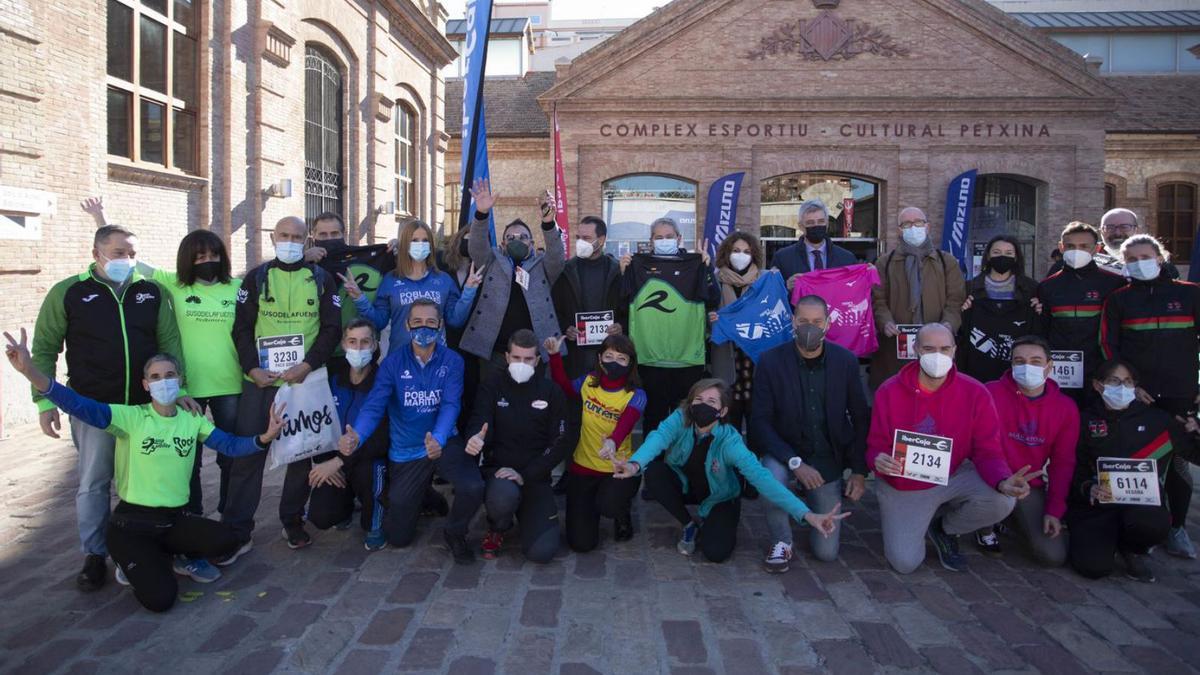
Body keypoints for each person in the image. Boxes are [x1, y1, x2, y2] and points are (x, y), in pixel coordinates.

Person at [5, 333, 284, 612]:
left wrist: (265, 437)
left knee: (230, 540)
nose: (163, 381)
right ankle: (134, 561)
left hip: (173, 521)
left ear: (180, 380)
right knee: (161, 599)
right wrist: (30, 371)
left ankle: (164, 554)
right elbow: (78, 404)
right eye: (155, 376)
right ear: (145, 384)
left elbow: (229, 445)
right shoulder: (130, 418)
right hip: (133, 525)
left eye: (170, 375)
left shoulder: (191, 420)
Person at [32, 222, 187, 591]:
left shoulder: (150, 292)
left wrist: (178, 389)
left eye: (132, 253)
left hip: (143, 408)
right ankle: (95, 554)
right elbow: (44, 348)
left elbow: (169, 343)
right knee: (94, 482)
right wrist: (44, 400)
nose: (127, 260)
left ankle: (151, 542)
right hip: (94, 407)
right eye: (119, 253)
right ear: (96, 254)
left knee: (149, 477)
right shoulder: (68, 293)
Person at [613, 379, 850, 563]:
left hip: (720, 496)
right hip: (686, 485)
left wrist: (806, 514)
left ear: (723, 411)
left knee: (716, 553)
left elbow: (763, 479)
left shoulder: (731, 441)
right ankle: (689, 524)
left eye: (712, 401)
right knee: (654, 471)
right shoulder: (680, 418)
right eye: (698, 399)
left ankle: (717, 520)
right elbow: (658, 438)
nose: (703, 405)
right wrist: (634, 464)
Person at [867, 323, 1031, 574]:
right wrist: (878, 459)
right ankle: (920, 517)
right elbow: (875, 445)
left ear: (954, 350)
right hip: (903, 483)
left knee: (1002, 501)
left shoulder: (976, 393)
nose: (937, 355)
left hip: (953, 474)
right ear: (915, 349)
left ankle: (944, 527)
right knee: (904, 563)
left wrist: (1002, 480)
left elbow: (988, 451)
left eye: (944, 349)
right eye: (929, 348)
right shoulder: (889, 391)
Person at [223, 216, 341, 563]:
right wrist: (252, 368)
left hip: (304, 381)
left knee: (302, 454)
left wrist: (308, 364)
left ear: (305, 241)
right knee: (248, 455)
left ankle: (292, 519)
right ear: (273, 238)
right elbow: (241, 329)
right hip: (260, 383)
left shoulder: (321, 279)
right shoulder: (256, 278)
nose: (290, 241)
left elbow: (332, 329)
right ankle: (237, 529)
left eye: (297, 236)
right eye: (284, 235)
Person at [337, 299, 484, 563]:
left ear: (440, 326)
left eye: (430, 322)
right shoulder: (393, 364)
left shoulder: (452, 361)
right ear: (406, 324)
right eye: (417, 322)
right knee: (397, 536)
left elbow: (451, 404)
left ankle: (455, 532)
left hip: (443, 442)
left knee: (473, 486)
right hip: (406, 450)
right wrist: (356, 435)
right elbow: (374, 406)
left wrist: (438, 438)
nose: (423, 327)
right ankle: (427, 496)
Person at [1099, 234, 1200, 559]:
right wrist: (1127, 384)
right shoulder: (1120, 299)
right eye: (1131, 259)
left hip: (1181, 393)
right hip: (1138, 394)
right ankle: (1143, 524)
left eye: (1144, 255)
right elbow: (1108, 345)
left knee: (1179, 461)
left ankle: (1177, 527)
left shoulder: (1190, 294)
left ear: (1160, 257)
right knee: (1140, 457)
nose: (1139, 262)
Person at [751, 295, 870, 572]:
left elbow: (861, 417)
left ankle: (806, 510)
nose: (810, 327)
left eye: (817, 322)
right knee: (769, 476)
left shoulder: (846, 361)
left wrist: (858, 470)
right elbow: (759, 421)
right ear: (793, 322)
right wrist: (794, 461)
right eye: (803, 321)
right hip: (784, 452)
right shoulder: (771, 361)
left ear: (828, 324)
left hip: (827, 456)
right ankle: (782, 540)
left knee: (826, 553)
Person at [1067, 359, 1196, 581]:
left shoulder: (1158, 421)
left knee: (1155, 524)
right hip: (1096, 507)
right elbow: (1071, 468)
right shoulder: (1082, 420)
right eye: (1114, 381)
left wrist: (1196, 431)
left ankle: (1132, 549)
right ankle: (1105, 543)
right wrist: (1088, 487)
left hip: (1140, 507)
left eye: (1127, 382)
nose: (1122, 387)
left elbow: (1194, 453)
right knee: (1093, 569)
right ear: (1098, 386)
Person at [277, 319, 392, 551]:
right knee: (322, 517)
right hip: (335, 456)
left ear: (374, 345)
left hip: (368, 458)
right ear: (343, 343)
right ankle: (345, 507)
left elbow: (382, 439)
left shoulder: (383, 380)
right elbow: (318, 423)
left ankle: (375, 524)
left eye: (364, 342)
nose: (358, 348)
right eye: (352, 342)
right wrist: (326, 462)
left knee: (371, 472)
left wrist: (340, 460)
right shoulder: (332, 374)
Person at [463, 329, 572, 562]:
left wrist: (527, 474)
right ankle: (498, 524)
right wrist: (475, 438)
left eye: (528, 359)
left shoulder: (551, 392)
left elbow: (561, 441)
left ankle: (528, 515)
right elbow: (479, 422)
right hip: (499, 474)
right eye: (516, 358)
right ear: (506, 357)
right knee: (503, 496)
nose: (521, 363)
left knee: (543, 552)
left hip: (536, 476)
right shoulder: (491, 386)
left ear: (537, 360)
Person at [982, 336, 1078, 565]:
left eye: (1036, 361)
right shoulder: (988, 393)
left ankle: (1010, 520)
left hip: (1027, 486)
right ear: (1012, 365)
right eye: (1020, 361)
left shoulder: (1066, 409)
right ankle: (983, 527)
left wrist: (1054, 510)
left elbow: (1063, 464)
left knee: (1052, 556)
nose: (1027, 367)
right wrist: (1000, 478)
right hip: (988, 477)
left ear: (1049, 366)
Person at [546, 333, 646, 551]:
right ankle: (590, 507)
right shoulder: (588, 382)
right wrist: (554, 356)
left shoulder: (637, 394)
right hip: (583, 467)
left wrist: (612, 442)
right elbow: (563, 387)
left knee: (609, 505)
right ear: (600, 358)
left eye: (622, 358)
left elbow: (626, 423)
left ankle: (621, 511)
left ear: (630, 364)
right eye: (609, 356)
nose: (614, 362)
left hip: (617, 469)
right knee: (582, 544)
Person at [620, 217, 720, 433]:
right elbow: (621, 306)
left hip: (688, 361)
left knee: (685, 421)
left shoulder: (695, 265)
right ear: (651, 240)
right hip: (650, 359)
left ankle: (680, 466)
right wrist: (623, 273)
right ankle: (651, 466)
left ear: (679, 238)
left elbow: (714, 299)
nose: (664, 241)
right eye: (659, 237)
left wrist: (708, 269)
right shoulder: (637, 266)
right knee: (653, 418)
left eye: (669, 237)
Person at [461, 179, 565, 368]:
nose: (517, 241)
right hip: (496, 353)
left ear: (532, 244)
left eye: (523, 237)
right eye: (510, 238)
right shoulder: (491, 260)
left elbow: (557, 256)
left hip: (537, 354)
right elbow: (476, 246)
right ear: (502, 244)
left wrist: (549, 224)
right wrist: (481, 214)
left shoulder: (542, 266)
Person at [345, 218, 479, 354]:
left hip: (437, 361)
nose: (420, 244)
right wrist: (359, 298)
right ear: (405, 244)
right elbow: (379, 322)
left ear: (431, 245)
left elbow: (456, 320)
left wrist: (469, 291)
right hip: (400, 361)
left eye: (425, 240)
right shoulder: (390, 280)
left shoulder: (444, 280)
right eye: (414, 240)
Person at [869, 207, 966, 389]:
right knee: (899, 394)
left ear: (927, 226)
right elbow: (878, 300)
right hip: (896, 347)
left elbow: (955, 300)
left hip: (936, 345)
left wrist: (948, 325)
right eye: (907, 224)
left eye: (918, 223)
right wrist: (885, 322)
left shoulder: (946, 262)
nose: (913, 227)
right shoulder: (884, 262)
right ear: (899, 230)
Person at [1036, 222, 1127, 400]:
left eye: (1084, 246)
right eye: (1070, 246)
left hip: (1100, 368)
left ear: (1097, 248)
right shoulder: (1047, 286)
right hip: (1060, 371)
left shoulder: (1114, 283)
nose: (1077, 251)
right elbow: (1042, 330)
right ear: (1061, 248)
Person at [956, 235, 1044, 384]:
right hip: (976, 370)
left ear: (1016, 257)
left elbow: (1040, 330)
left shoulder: (1031, 289)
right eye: (996, 252)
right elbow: (961, 331)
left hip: (1016, 371)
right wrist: (962, 312)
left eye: (1009, 253)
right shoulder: (969, 288)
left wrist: (1041, 312)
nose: (1002, 256)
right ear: (988, 256)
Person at [551, 215, 625, 381]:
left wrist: (621, 326)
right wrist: (566, 328)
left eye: (586, 238)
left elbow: (628, 308)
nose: (580, 242)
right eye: (578, 238)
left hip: (609, 353)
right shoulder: (566, 271)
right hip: (576, 355)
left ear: (602, 239)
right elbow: (555, 308)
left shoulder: (617, 272)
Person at [303, 211, 395, 334]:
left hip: (361, 344)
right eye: (323, 235)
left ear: (343, 234)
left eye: (334, 234)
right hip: (318, 346)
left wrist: (400, 249)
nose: (329, 239)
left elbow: (409, 269)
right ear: (313, 235)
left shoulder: (366, 257)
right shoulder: (305, 262)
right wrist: (301, 259)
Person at [709, 232, 766, 432]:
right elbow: (703, 315)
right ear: (727, 253)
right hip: (727, 357)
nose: (741, 255)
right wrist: (710, 320)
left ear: (754, 255)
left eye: (746, 251)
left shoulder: (764, 282)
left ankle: (753, 461)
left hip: (754, 361)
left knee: (757, 421)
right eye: (736, 251)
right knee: (728, 421)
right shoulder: (714, 281)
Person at [771, 199, 858, 293]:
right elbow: (771, 294)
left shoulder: (847, 259)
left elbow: (856, 291)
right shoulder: (783, 258)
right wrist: (786, 286)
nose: (816, 226)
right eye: (810, 223)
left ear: (827, 224)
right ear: (801, 226)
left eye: (821, 221)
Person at [1095, 208, 1180, 279]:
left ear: (1136, 230)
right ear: (1101, 231)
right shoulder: (1090, 256)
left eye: (1124, 227)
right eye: (1109, 227)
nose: (1117, 233)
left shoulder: (1159, 263)